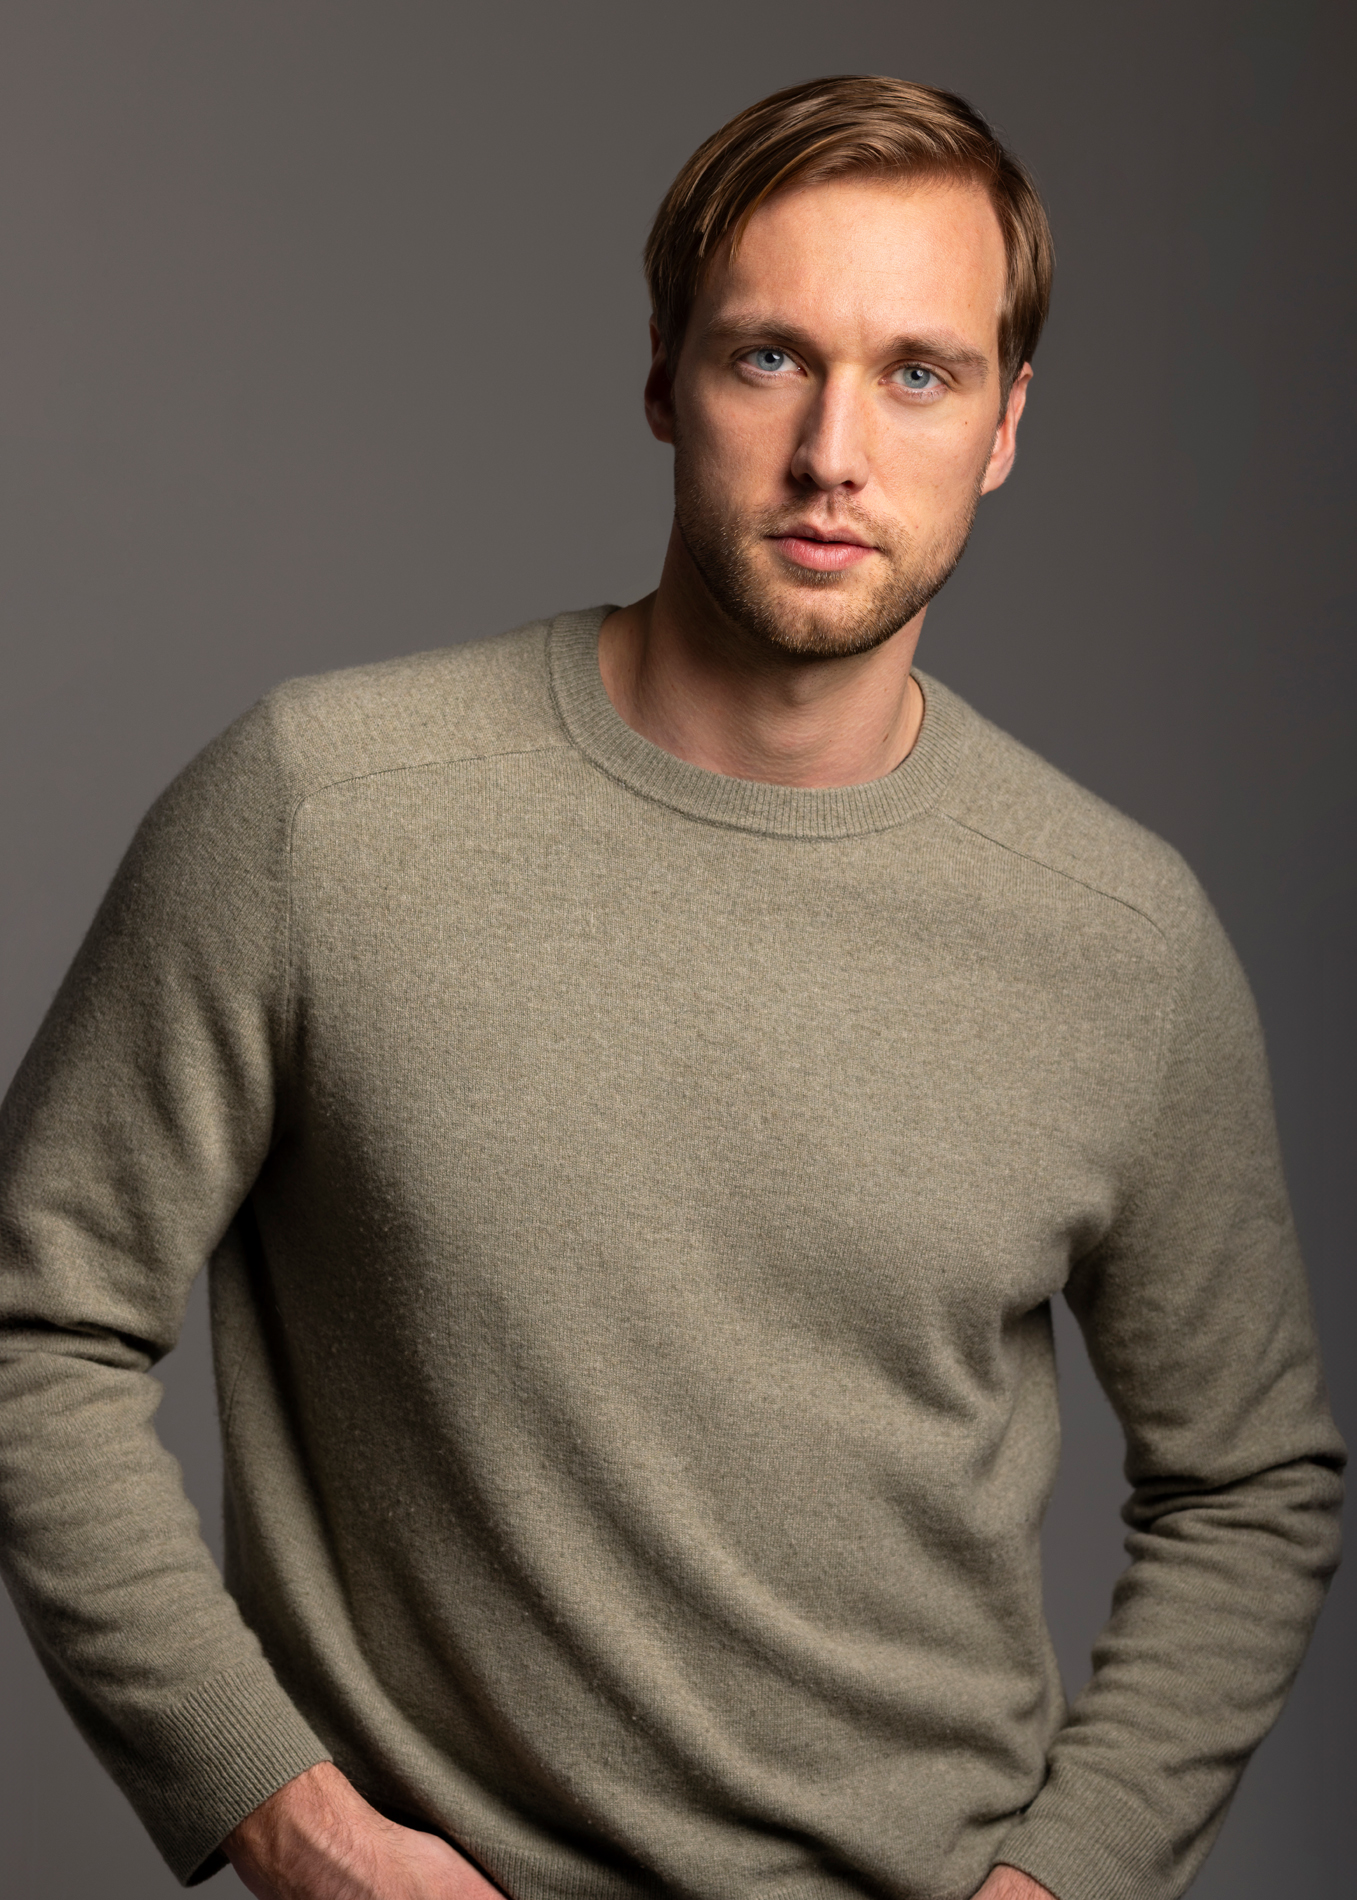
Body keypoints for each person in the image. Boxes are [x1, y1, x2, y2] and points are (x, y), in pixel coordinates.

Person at [0, 73, 1343, 1900]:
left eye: (919, 373)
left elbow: (1249, 1485)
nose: (834, 455)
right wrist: (292, 1825)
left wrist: (1066, 1880)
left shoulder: (1120, 934)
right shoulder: (323, 812)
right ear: (661, 377)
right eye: (768, 359)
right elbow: (34, 1325)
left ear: (1009, 423)